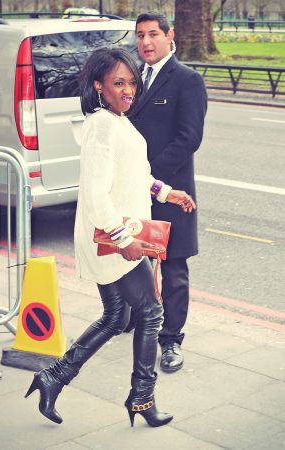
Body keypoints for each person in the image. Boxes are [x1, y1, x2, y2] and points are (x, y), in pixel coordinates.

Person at [25, 48, 196, 427]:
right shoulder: (102, 125)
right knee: (151, 313)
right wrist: (124, 241)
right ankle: (142, 399)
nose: (128, 89)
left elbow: (136, 176)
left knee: (117, 316)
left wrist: (168, 193)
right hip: (112, 238)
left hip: (114, 235)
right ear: (99, 86)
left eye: (132, 82)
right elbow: (98, 193)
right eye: (118, 83)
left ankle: (52, 378)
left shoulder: (117, 122)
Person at [126, 12, 208, 373]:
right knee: (133, 258)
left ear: (169, 35)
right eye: (140, 35)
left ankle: (171, 340)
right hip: (134, 192)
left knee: (173, 268)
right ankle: (131, 318)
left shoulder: (187, 80)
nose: (146, 42)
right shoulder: (131, 78)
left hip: (170, 191)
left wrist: (151, 178)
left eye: (153, 34)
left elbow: (189, 138)